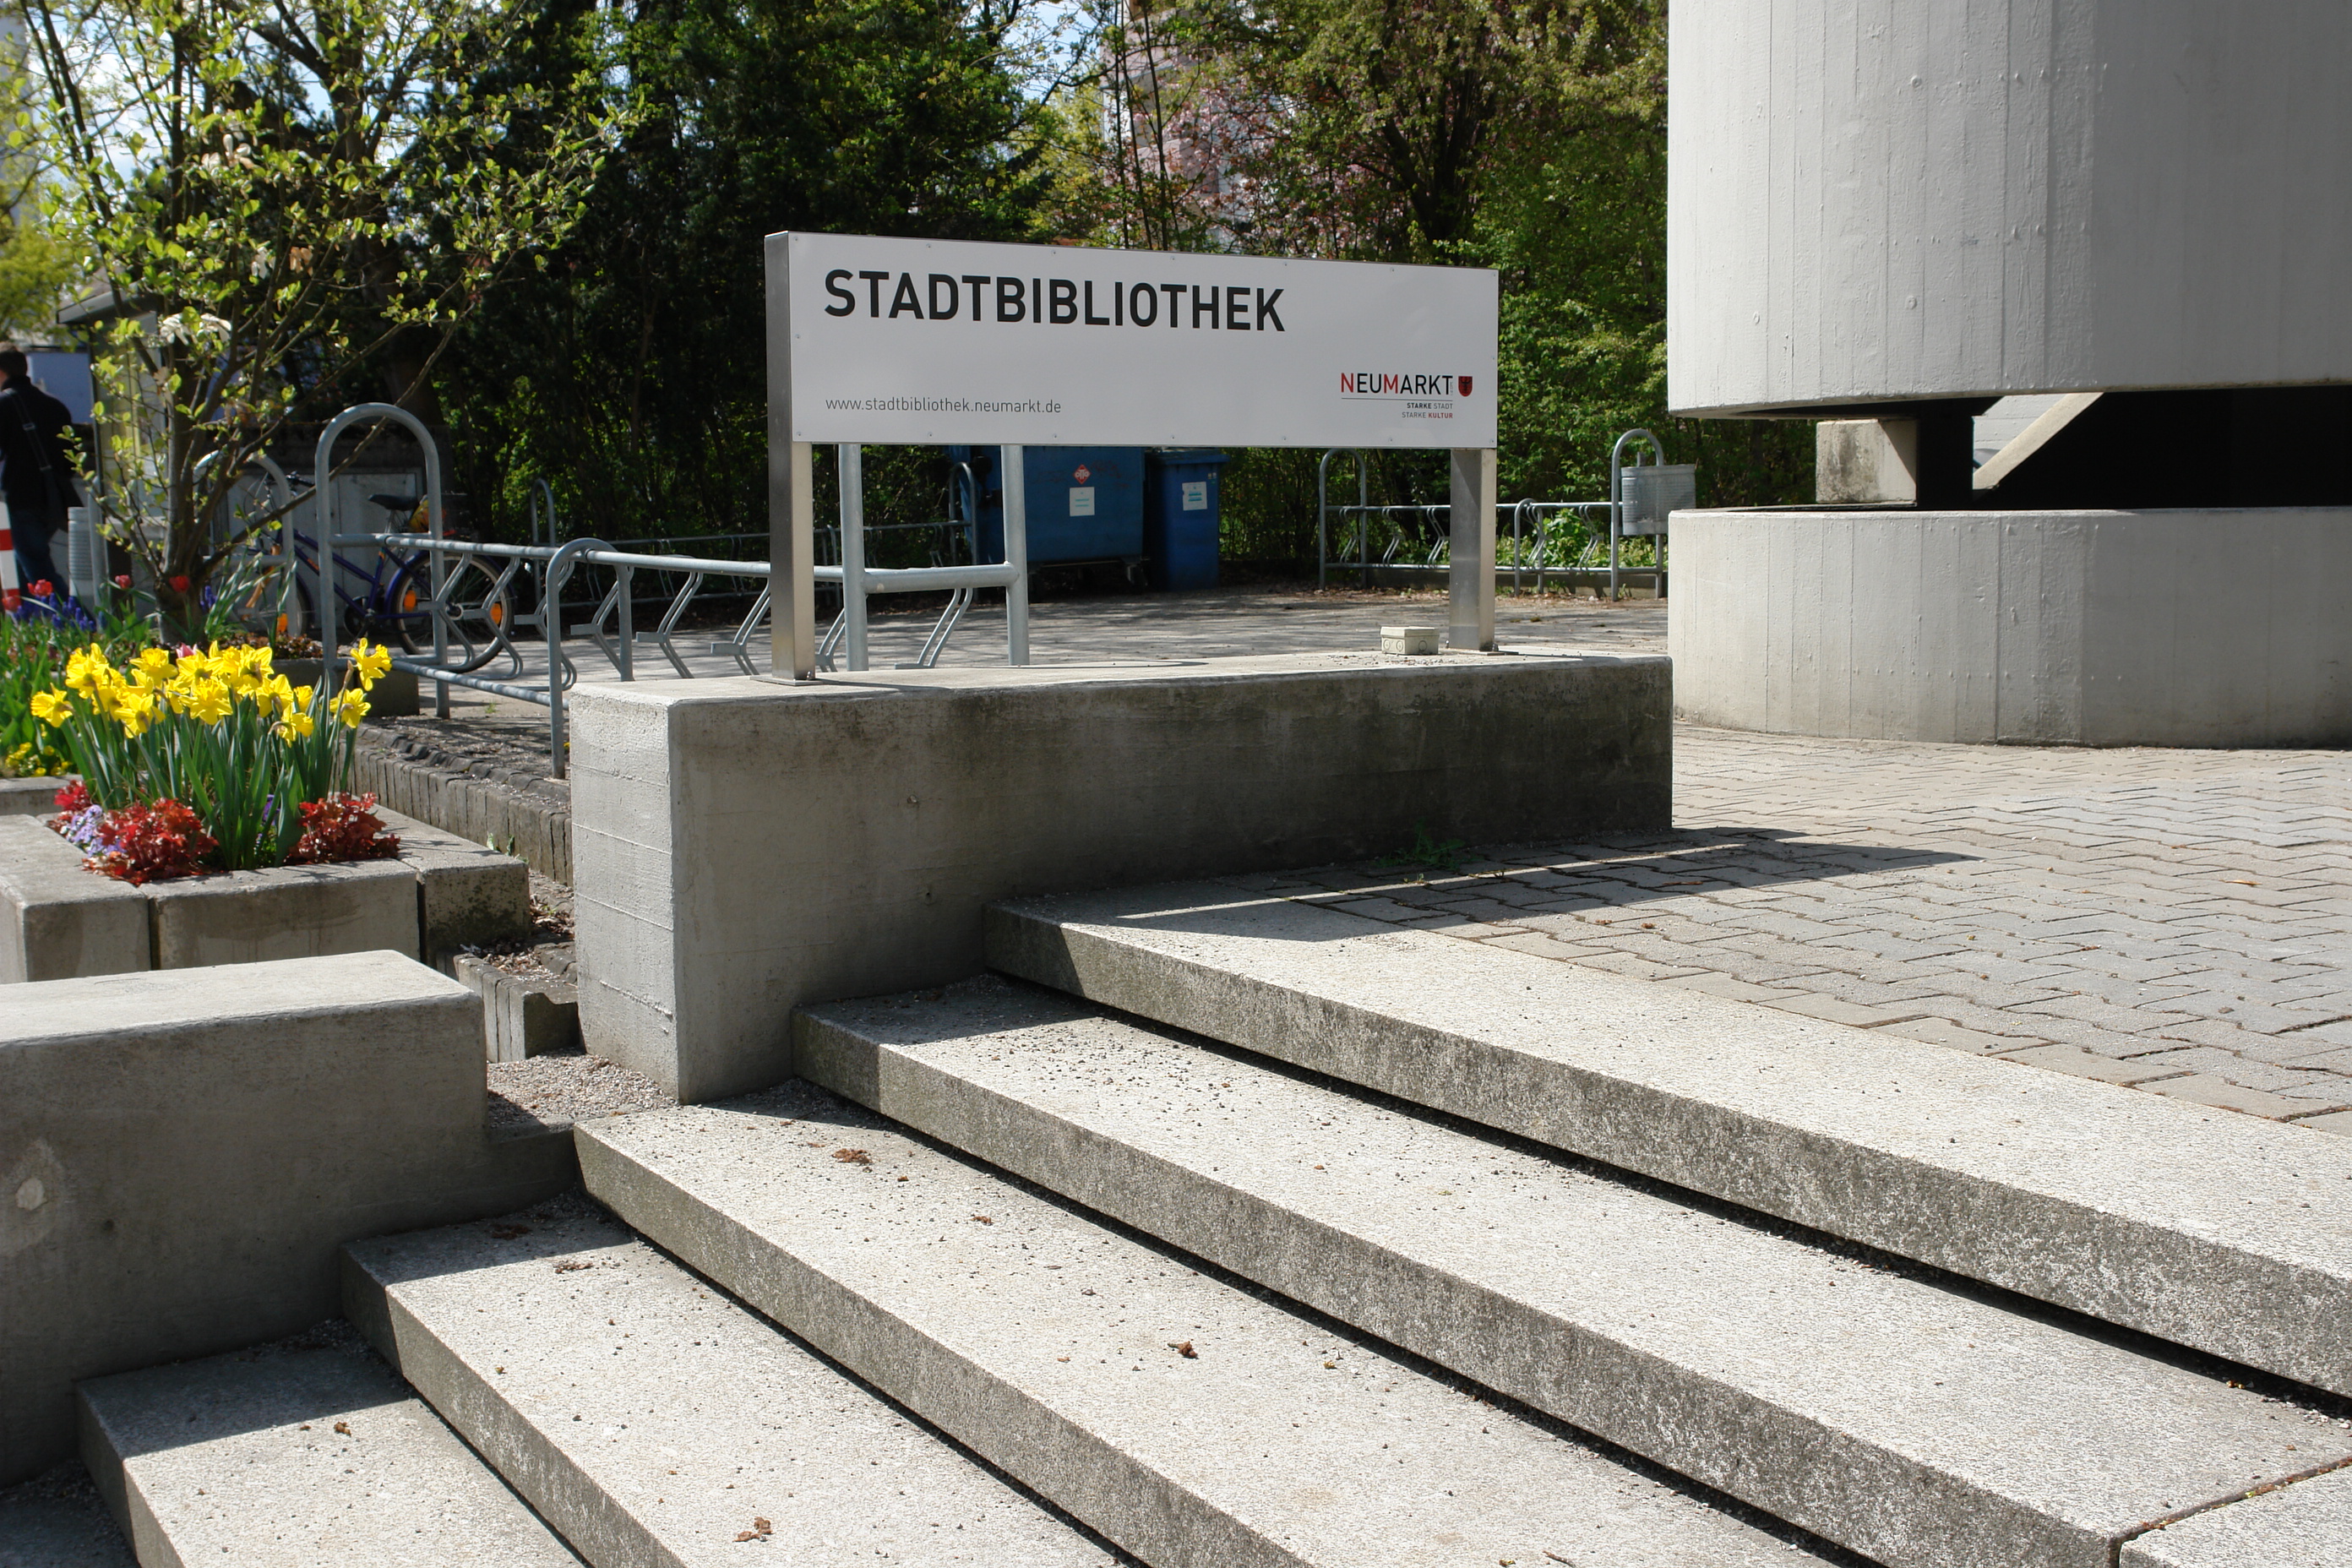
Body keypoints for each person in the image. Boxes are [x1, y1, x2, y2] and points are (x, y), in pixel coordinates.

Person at [0, 345, 80, 597]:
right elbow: (71, 457)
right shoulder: (55, 406)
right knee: (24, 565)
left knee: (37, 567)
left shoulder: (4, 404)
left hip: (22, 496)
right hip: (55, 498)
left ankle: (79, 621)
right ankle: (31, 624)